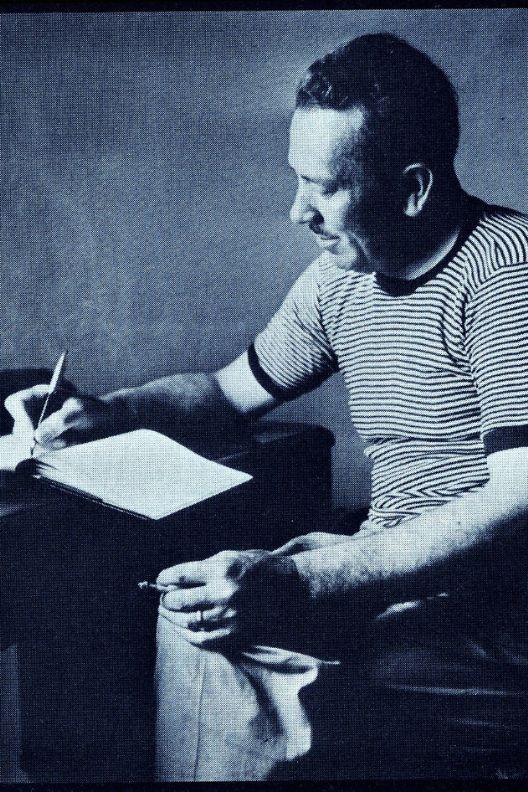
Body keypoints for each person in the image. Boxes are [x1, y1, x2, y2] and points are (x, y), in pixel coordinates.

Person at [7, 33, 528, 780]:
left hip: (499, 621)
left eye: (324, 187)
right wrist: (113, 410)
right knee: (193, 611)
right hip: (396, 582)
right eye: (297, 180)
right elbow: (226, 392)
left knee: (224, 646)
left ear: (413, 189)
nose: (296, 212)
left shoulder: (510, 272)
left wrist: (310, 579)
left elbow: (520, 500)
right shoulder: (340, 280)